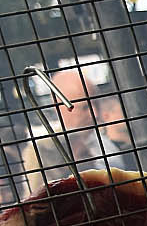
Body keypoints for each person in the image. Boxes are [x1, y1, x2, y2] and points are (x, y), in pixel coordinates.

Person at [16, 67, 135, 196]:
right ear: (59, 108)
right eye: (84, 107)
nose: (94, 113)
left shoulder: (106, 139)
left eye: (96, 104)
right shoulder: (43, 150)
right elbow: (36, 202)